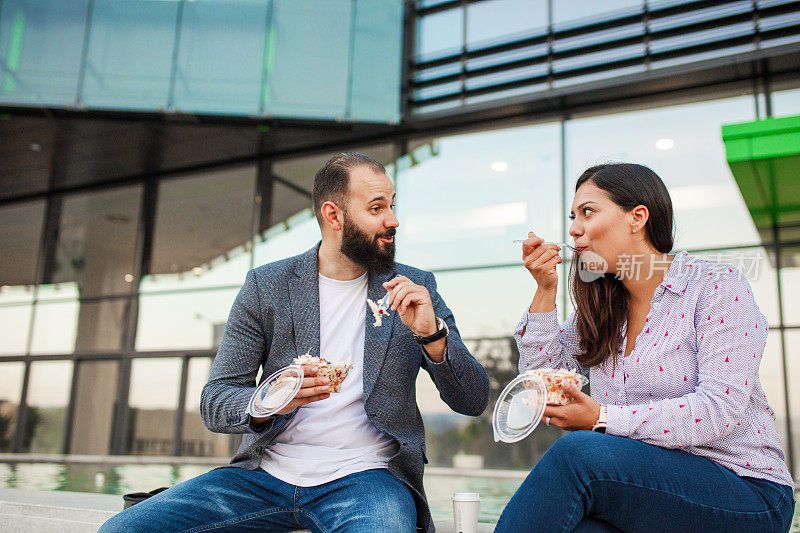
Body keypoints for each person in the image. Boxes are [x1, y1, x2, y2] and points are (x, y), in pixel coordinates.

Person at [100, 152, 490, 533]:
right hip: (262, 476)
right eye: (376, 208)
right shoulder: (266, 286)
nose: (393, 220)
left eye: (392, 205)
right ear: (333, 215)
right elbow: (215, 400)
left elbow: (472, 400)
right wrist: (270, 398)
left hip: (367, 480)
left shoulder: (415, 288)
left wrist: (432, 335)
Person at [496, 163, 794, 532]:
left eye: (588, 212)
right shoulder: (602, 307)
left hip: (745, 491)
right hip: (645, 489)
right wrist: (544, 290)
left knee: (577, 454)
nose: (574, 228)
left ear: (637, 217)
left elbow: (720, 410)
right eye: (572, 216)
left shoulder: (716, 287)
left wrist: (601, 419)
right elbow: (543, 384)